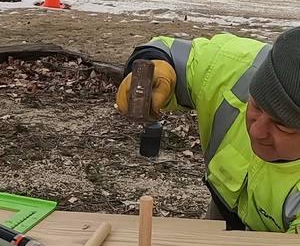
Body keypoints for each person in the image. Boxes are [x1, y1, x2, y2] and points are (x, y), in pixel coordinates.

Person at [116, 27, 300, 233]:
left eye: (282, 126)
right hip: (224, 209)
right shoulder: (235, 67)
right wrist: (157, 68)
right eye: (256, 106)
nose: (256, 131)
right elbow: (165, 49)